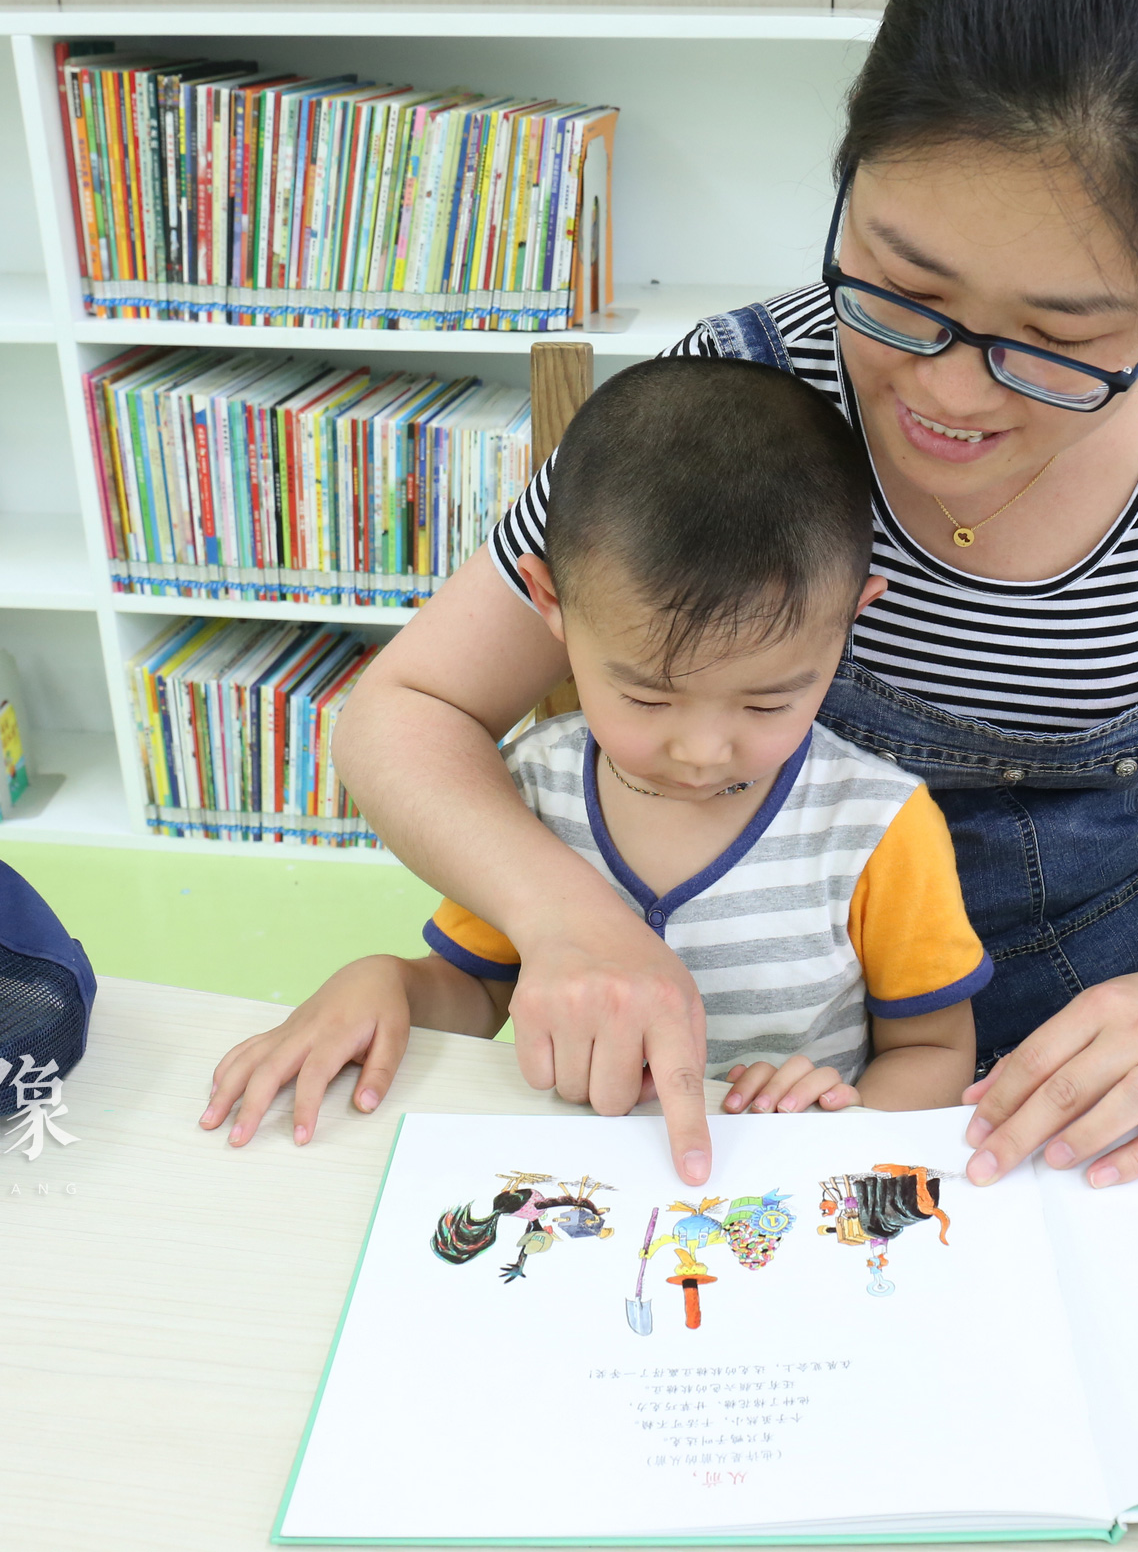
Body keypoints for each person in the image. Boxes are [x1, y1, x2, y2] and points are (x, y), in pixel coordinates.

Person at [208, 0, 1138, 1189]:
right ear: (847, 170)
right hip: (784, 1005)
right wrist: (569, 919)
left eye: (1057, 342)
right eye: (901, 287)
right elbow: (407, 708)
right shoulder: (724, 406)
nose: (951, 391)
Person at [207, 359, 988, 1135]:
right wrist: (390, 985)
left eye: (766, 701)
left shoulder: (879, 827)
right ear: (550, 603)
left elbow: (932, 1045)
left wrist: (843, 1128)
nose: (702, 749)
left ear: (851, 616)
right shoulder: (527, 795)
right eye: (648, 697)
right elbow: (477, 994)